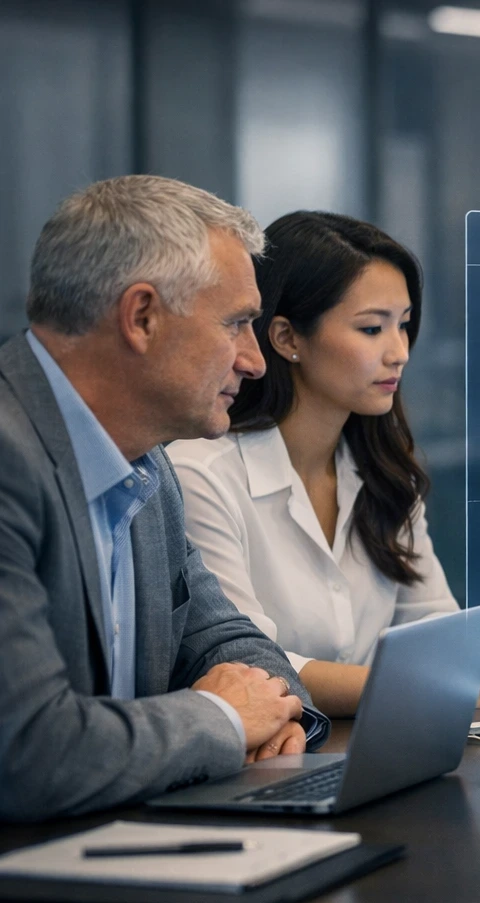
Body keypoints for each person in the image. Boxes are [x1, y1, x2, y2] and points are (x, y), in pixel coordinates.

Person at [0, 175, 328, 822]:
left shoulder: (146, 463)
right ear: (142, 317)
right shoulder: (11, 460)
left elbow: (234, 646)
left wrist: (271, 720)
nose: (255, 361)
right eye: (236, 324)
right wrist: (225, 722)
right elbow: (28, 753)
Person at [169, 212, 480, 717]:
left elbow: (434, 628)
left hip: (379, 750)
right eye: (372, 328)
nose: (399, 352)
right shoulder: (201, 474)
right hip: (274, 760)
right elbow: (252, 666)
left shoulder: (383, 471)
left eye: (403, 326)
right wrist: (451, 681)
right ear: (288, 338)